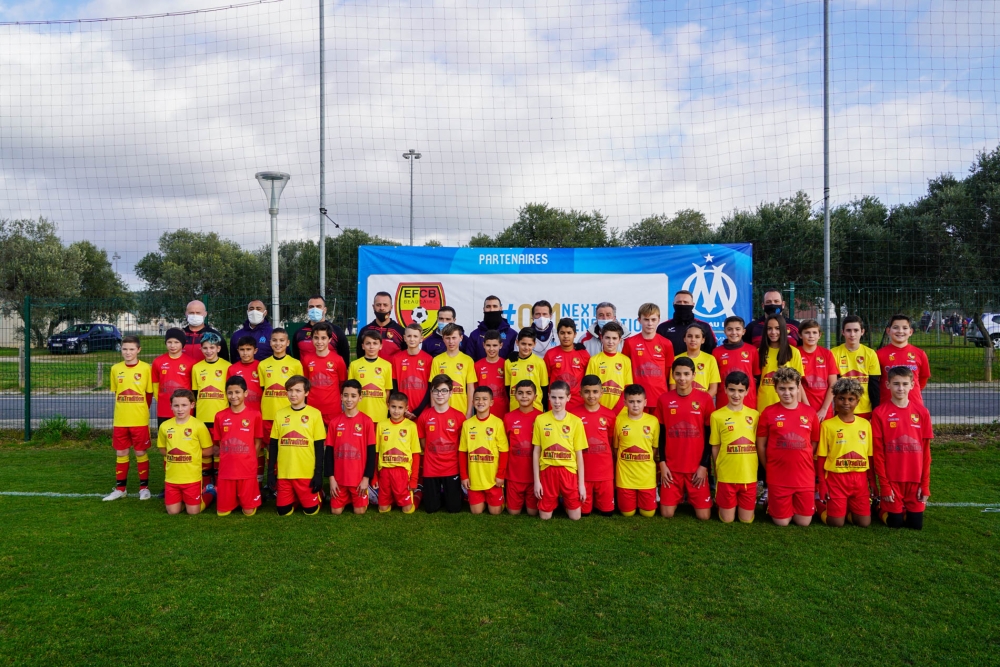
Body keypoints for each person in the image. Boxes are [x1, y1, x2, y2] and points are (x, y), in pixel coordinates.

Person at [756, 367, 820, 527]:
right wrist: (769, 466)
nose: (787, 393)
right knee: (782, 522)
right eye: (782, 388)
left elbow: (813, 443)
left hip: (803, 475)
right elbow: (761, 446)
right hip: (778, 475)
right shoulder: (768, 412)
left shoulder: (810, 412)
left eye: (791, 388)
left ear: (798, 388)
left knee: (803, 522)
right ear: (776, 389)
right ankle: (770, 501)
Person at [871, 367, 933, 530]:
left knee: (915, 525)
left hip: (915, 481)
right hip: (892, 481)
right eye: (896, 384)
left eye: (905, 384)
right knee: (895, 524)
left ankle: (903, 508)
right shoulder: (879, 413)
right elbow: (878, 453)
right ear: (887, 384)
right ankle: (878, 506)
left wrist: (924, 485)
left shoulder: (922, 412)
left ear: (912, 385)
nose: (900, 388)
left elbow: (926, 453)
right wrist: (885, 486)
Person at [655, 357, 714, 520]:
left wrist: (704, 466)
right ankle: (678, 495)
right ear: (673, 375)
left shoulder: (705, 399)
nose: (682, 378)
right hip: (672, 470)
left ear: (694, 375)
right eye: (678, 374)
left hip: (696, 469)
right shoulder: (664, 399)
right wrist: (663, 463)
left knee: (704, 516)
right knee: (666, 513)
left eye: (686, 374)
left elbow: (710, 436)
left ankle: (693, 496)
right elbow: (661, 435)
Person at [102, 336, 154, 502]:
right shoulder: (115, 369)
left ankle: (144, 488)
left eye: (132, 349)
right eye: (125, 349)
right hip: (120, 420)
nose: (128, 352)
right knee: (121, 452)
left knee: (140, 452)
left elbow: (149, 394)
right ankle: (120, 489)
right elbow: (117, 393)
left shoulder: (146, 368)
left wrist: (141, 411)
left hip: (139, 420)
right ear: (121, 350)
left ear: (138, 350)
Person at [816, 378, 873, 527]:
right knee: (836, 523)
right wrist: (822, 483)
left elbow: (869, 455)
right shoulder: (827, 425)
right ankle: (818, 506)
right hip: (836, 479)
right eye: (841, 398)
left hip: (859, 479)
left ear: (858, 401)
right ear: (834, 399)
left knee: (864, 523)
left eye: (851, 399)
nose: (846, 402)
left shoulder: (865, 425)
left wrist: (872, 481)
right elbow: (821, 457)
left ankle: (845, 509)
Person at [268, 376, 326, 516]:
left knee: (311, 512)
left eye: (298, 391)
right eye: (290, 390)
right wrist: (270, 472)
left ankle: (320, 495)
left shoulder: (315, 414)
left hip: (305, 473)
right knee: (283, 512)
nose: (293, 394)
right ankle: (296, 496)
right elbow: (274, 445)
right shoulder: (280, 414)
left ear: (306, 393)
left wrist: (318, 474)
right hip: (285, 473)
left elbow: (319, 447)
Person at [532, 381, 588, 521]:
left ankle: (564, 500)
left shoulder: (576, 422)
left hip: (568, 471)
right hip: (548, 470)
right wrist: (537, 481)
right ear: (549, 397)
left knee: (576, 517)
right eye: (554, 397)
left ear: (568, 398)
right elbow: (536, 452)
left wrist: (581, 485)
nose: (557, 402)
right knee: (545, 517)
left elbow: (579, 455)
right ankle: (553, 500)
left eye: (561, 398)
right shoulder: (540, 419)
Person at [710, 371, 760, 524]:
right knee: (727, 520)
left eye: (740, 391)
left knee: (746, 520)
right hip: (727, 475)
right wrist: (718, 470)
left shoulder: (755, 415)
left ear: (746, 391)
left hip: (748, 475)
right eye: (732, 390)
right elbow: (715, 447)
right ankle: (720, 502)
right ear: (725, 389)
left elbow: (758, 444)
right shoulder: (717, 416)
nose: (736, 395)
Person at [157, 389, 216, 515]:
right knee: (172, 512)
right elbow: (162, 448)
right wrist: (176, 456)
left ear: (192, 405)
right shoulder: (165, 426)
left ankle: (210, 492)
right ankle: (183, 500)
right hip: (172, 479)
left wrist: (191, 455)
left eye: (184, 405)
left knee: (193, 512)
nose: (180, 409)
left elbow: (209, 449)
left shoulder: (199, 425)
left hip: (192, 478)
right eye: (176, 405)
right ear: (171, 406)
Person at [212, 377, 264, 517]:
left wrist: (251, 459)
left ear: (245, 393)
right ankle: (212, 493)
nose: (233, 396)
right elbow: (220, 442)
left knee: (249, 512)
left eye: (237, 392)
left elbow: (258, 441)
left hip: (246, 468)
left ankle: (243, 499)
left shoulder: (255, 415)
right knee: (222, 513)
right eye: (230, 393)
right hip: (227, 469)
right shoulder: (220, 416)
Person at [416, 374, 466, 514]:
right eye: (436, 390)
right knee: (431, 509)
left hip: (451, 468)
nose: (440, 394)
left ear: (450, 393)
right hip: (431, 468)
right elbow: (424, 444)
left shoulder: (459, 416)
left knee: (454, 508)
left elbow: (462, 445)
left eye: (444, 390)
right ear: (431, 392)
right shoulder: (424, 416)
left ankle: (450, 491)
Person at [326, 380, 377, 515]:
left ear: (360, 398)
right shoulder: (334, 422)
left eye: (353, 396)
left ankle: (367, 491)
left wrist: (366, 479)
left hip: (358, 480)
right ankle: (344, 497)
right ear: (341, 396)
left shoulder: (367, 422)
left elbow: (372, 453)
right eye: (346, 395)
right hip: (339, 480)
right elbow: (329, 453)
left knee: (359, 512)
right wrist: (331, 479)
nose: (349, 399)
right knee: (335, 512)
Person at [570, 375, 617, 517]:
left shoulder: (610, 415)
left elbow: (610, 440)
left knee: (607, 512)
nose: (591, 396)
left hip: (604, 472)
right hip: (583, 473)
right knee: (584, 512)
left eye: (595, 392)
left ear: (601, 393)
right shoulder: (573, 415)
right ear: (580, 393)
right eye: (587, 391)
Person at [459, 386, 510, 515]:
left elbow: (504, 451)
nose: (480, 402)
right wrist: (464, 476)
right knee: (476, 512)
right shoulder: (467, 424)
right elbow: (462, 452)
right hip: (475, 479)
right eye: (477, 399)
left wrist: (500, 475)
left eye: (484, 399)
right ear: (472, 402)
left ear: (491, 402)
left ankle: (499, 498)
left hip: (493, 479)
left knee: (495, 512)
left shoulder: (497, 423)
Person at [613, 384, 660, 518]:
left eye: (639, 401)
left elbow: (654, 448)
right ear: (625, 402)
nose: (635, 405)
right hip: (625, 477)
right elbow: (616, 448)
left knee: (648, 513)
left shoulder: (653, 421)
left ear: (645, 402)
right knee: (627, 513)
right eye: (631, 401)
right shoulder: (618, 421)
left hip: (646, 477)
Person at [192, 333, 231, 484]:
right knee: (206, 452)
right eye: (205, 348)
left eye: (212, 347)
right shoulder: (197, 368)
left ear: (219, 348)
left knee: (219, 451)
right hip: (203, 418)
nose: (209, 351)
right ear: (201, 349)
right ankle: (207, 482)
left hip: (221, 418)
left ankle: (219, 481)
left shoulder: (227, 367)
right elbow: (195, 394)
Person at [622, 303, 674, 411]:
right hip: (636, 399)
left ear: (659, 320)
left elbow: (668, 373)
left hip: (659, 397)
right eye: (646, 319)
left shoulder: (666, 343)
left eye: (653, 319)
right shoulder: (630, 343)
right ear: (639, 320)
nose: (650, 323)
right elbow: (625, 371)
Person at [376, 391, 422, 514]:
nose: (396, 411)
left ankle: (417, 495)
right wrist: (375, 476)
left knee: (407, 510)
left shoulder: (411, 426)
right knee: (383, 509)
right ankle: (393, 498)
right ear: (388, 406)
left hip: (402, 472)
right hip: (385, 471)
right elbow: (377, 452)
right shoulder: (381, 425)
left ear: (406, 408)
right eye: (393, 407)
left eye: (400, 408)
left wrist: (414, 479)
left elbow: (416, 454)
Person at [831, 316, 881, 420]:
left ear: (862, 332)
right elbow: (832, 385)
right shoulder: (833, 353)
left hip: (865, 410)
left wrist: (875, 411)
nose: (852, 334)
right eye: (848, 330)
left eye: (856, 330)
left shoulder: (870, 354)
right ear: (843, 332)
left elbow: (874, 386)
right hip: (841, 409)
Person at [504, 380, 542, 516]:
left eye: (528, 393)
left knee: (533, 513)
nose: (524, 396)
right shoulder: (508, 418)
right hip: (514, 476)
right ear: (515, 395)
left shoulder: (541, 418)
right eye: (520, 393)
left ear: (535, 397)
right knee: (513, 513)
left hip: (534, 478)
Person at [258, 328, 305, 438]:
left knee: (286, 441)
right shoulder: (263, 364)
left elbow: (300, 390)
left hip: (289, 412)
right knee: (270, 446)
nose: (278, 343)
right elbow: (263, 388)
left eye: (281, 340)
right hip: (268, 413)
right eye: (274, 340)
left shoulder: (295, 364)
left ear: (287, 343)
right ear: (270, 342)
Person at [876, 314, 931, 406]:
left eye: (905, 328)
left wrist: (909, 391)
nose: (900, 331)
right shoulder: (879, 354)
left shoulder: (920, 354)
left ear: (910, 331)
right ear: (888, 331)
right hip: (887, 405)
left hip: (914, 405)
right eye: (896, 327)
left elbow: (923, 379)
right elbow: (876, 381)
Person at [756, 314, 806, 413]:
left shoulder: (793, 352)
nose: (773, 332)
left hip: (788, 404)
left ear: (783, 330)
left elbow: (798, 383)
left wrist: (798, 406)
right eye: (769, 328)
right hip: (764, 403)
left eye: (777, 328)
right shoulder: (758, 352)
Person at [301, 321, 348, 423]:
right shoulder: (306, 360)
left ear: (330, 339)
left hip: (333, 409)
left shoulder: (338, 360)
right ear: (312, 339)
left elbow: (342, 384)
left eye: (323, 338)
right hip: (312, 408)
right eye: (316, 338)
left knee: (332, 438)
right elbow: (305, 383)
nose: (319, 342)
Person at [712, 316, 760, 410]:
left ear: (743, 331)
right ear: (725, 331)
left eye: (737, 329)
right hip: (724, 401)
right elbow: (715, 380)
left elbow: (756, 377)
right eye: (730, 329)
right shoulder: (716, 352)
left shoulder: (752, 350)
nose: (734, 333)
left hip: (748, 401)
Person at [151, 328, 195, 428]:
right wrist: (163, 400)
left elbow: (193, 386)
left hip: (184, 409)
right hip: (164, 409)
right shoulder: (158, 361)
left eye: (176, 342)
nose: (172, 345)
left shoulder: (192, 362)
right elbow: (155, 384)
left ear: (182, 344)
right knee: (166, 437)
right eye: (169, 342)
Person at [585, 322, 633, 413]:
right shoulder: (594, 360)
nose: (611, 342)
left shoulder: (626, 360)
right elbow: (589, 387)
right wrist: (597, 407)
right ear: (602, 338)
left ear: (620, 340)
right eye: (607, 338)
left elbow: (628, 387)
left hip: (620, 411)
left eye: (614, 338)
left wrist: (617, 409)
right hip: (598, 410)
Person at [292, 295, 351, 369]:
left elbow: (344, 359)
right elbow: (296, 360)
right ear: (307, 310)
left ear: (325, 310)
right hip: (306, 378)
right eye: (311, 307)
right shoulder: (299, 333)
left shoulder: (336, 331)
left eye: (318, 306)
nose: (314, 309)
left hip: (331, 377)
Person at [544, 318, 590, 411]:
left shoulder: (583, 354)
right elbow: (545, 382)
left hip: (578, 404)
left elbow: (587, 381)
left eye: (569, 333)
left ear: (575, 335)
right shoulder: (550, 354)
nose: (565, 336)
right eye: (562, 333)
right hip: (556, 404)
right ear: (558, 334)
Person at [349, 329, 394, 423]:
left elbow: (387, 390)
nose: (371, 346)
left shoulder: (387, 365)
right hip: (359, 411)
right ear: (363, 346)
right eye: (368, 343)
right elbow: (350, 390)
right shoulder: (354, 365)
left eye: (375, 343)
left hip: (379, 413)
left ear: (380, 346)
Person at [432, 324, 477, 418]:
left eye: (454, 338)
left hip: (461, 410)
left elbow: (470, 388)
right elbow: (433, 388)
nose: (451, 341)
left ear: (461, 338)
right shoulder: (437, 360)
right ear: (443, 339)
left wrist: (469, 412)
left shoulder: (468, 360)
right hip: (441, 411)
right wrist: (433, 409)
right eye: (447, 338)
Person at [392, 322, 433, 419]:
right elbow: (394, 385)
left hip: (422, 410)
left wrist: (419, 410)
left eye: (415, 336)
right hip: (402, 411)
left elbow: (430, 387)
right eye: (409, 336)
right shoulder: (396, 358)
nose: (412, 339)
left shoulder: (429, 359)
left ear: (421, 339)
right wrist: (402, 408)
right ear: (404, 338)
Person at [656, 290, 716, 355]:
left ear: (693, 305)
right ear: (673, 304)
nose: (682, 304)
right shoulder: (663, 327)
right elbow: (657, 350)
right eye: (679, 302)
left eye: (685, 302)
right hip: (670, 365)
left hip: (698, 364)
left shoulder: (704, 326)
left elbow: (711, 350)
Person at [798, 319, 837, 420]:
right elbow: (797, 383)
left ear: (819, 335)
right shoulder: (796, 353)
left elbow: (833, 384)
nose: (811, 336)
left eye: (814, 332)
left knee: (824, 435)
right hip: (803, 406)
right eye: (807, 332)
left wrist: (824, 409)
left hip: (824, 408)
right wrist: (808, 408)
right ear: (800, 335)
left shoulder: (827, 354)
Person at [670, 324, 720, 399]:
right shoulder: (676, 359)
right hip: (681, 402)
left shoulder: (710, 359)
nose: (693, 339)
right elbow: (673, 387)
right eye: (689, 336)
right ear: (684, 339)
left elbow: (713, 389)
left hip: (703, 403)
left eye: (697, 337)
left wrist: (702, 402)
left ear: (703, 340)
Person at [505, 328, 549, 413]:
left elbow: (544, 388)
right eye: (523, 344)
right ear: (517, 342)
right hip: (515, 408)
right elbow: (507, 388)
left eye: (530, 344)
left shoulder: (540, 363)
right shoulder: (509, 362)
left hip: (536, 408)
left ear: (534, 344)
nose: (526, 347)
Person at [356, 291, 406, 360]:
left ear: (391, 307)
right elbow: (360, 357)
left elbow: (406, 358)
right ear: (373, 307)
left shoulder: (401, 331)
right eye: (378, 305)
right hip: (370, 370)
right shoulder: (365, 331)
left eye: (385, 305)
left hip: (393, 370)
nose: (382, 308)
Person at [468, 295, 516, 361]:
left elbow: (515, 361)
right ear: (483, 309)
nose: (491, 310)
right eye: (488, 307)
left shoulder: (512, 334)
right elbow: (469, 361)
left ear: (501, 309)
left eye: (495, 306)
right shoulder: (474, 335)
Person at [474, 330, 509, 418]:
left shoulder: (506, 364)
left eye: (495, 345)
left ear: (501, 345)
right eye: (488, 345)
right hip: (483, 412)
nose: (491, 349)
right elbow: (473, 391)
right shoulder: (477, 366)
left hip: (503, 411)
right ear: (483, 345)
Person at [228, 336, 263, 412]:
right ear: (238, 351)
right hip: (238, 411)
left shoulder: (261, 367)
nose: (245, 353)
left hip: (258, 411)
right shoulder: (232, 369)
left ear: (255, 350)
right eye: (242, 350)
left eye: (248, 349)